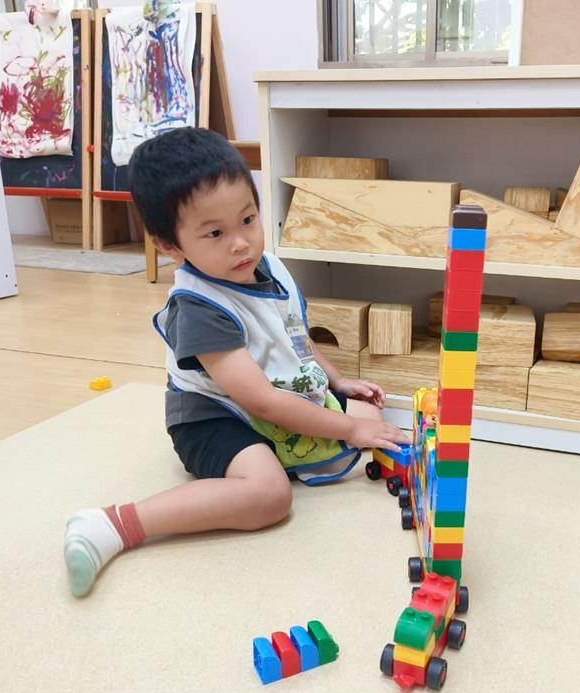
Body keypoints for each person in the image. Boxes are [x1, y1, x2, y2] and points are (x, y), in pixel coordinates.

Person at [63, 128, 407, 597]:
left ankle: (286, 450)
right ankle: (115, 524)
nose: (241, 243)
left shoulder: (267, 267)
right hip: (214, 418)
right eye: (215, 233)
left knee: (371, 416)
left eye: (248, 219)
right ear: (169, 246)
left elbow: (294, 337)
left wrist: (339, 381)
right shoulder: (200, 307)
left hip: (270, 398)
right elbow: (261, 401)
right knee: (270, 496)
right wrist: (347, 429)